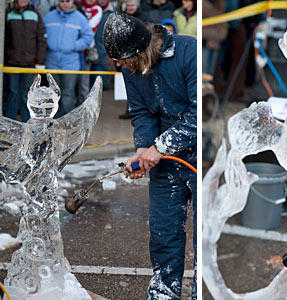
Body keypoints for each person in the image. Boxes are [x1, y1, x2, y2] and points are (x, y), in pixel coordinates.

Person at [103, 13, 197, 299]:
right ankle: (163, 292)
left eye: (123, 60)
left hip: (201, 156)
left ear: (142, 50)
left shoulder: (188, 51)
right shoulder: (129, 65)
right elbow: (141, 112)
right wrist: (143, 148)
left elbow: (198, 115)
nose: (119, 66)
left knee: (204, 233)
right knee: (164, 233)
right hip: (165, 161)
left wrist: (160, 147)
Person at [43, 0, 93, 117]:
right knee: (52, 94)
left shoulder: (80, 18)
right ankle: (53, 120)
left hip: (71, 63)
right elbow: (41, 34)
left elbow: (88, 36)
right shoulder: (49, 17)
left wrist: (74, 46)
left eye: (68, 1)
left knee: (67, 93)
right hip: (51, 61)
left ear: (72, 2)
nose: (65, 4)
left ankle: (65, 119)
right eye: (62, 1)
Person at [4, 0, 46, 122]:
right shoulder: (8, 13)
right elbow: (4, 38)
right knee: (12, 93)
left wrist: (40, 62)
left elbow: (41, 39)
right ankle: (10, 124)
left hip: (29, 63)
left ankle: (27, 123)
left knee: (26, 94)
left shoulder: (35, 14)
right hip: (12, 63)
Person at [90, 0, 114, 89]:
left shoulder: (112, 14)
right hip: (90, 50)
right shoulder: (89, 10)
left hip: (105, 52)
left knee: (104, 82)